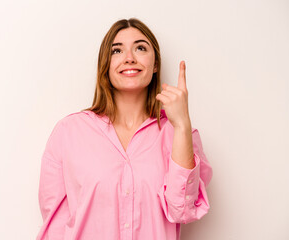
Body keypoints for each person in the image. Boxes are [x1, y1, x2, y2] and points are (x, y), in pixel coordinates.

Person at [36, 18, 213, 240]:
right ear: (106, 64)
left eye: (140, 48)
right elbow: (55, 226)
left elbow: (182, 210)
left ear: (155, 64)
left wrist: (182, 124)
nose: (129, 58)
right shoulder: (68, 132)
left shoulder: (180, 134)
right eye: (117, 51)